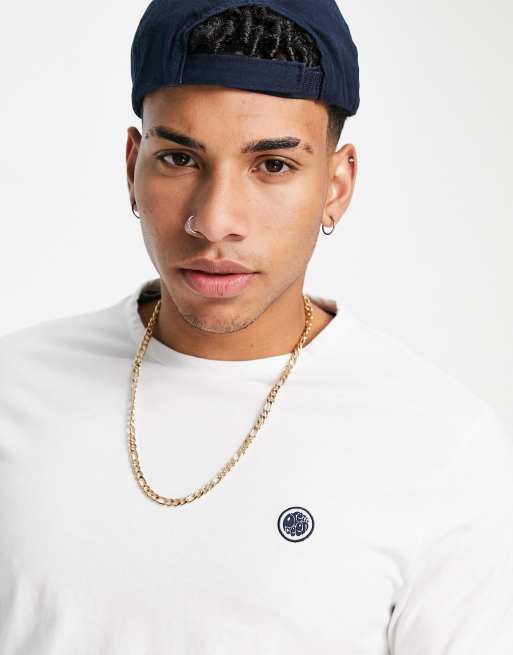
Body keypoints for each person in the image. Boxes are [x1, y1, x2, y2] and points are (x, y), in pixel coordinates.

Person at [1, 1, 512, 653]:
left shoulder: (440, 443)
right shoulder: (13, 389)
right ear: (132, 165)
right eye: (179, 159)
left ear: (336, 186)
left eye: (272, 165)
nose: (215, 221)